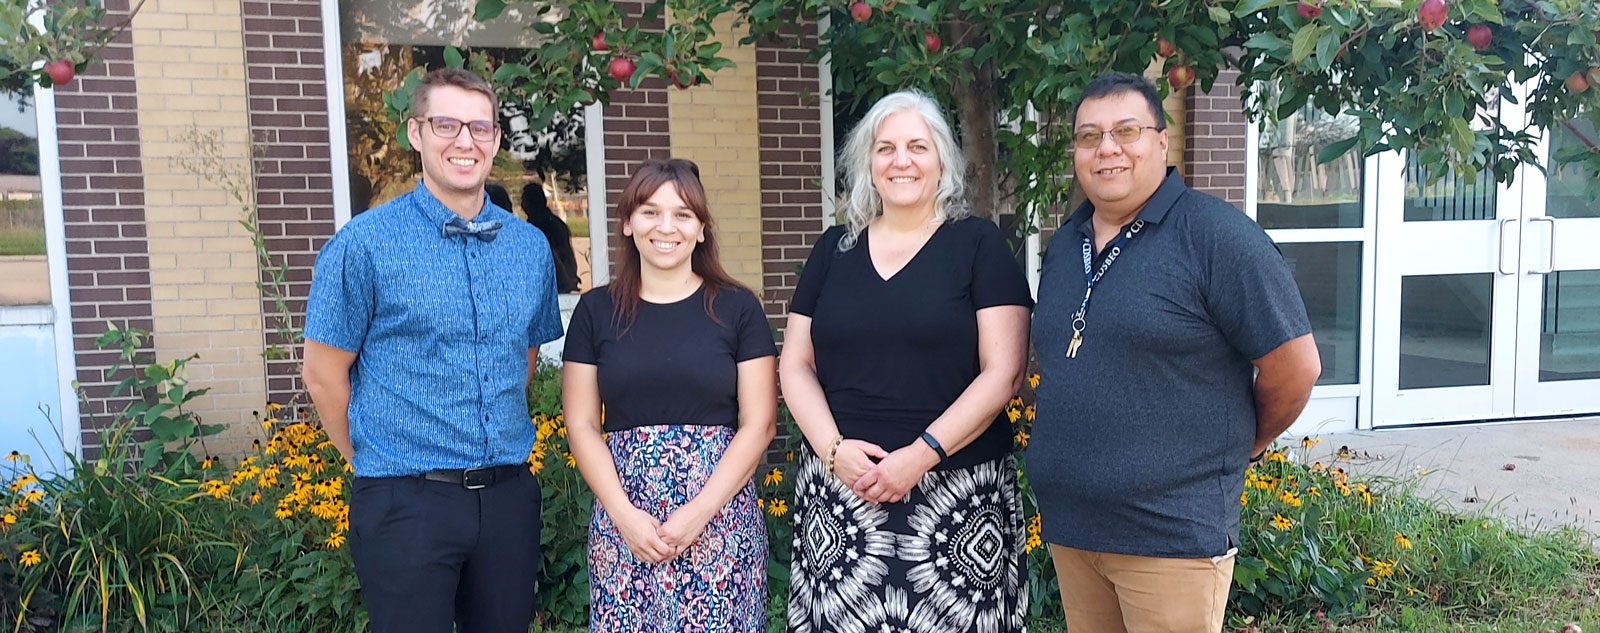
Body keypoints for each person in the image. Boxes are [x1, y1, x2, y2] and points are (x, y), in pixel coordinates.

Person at [1027, 72, 1322, 633]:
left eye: (1126, 131)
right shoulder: (1066, 245)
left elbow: (1296, 368)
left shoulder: (1217, 238)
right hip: (1074, 530)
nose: (1107, 148)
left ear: (1161, 142)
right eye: (1089, 136)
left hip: (1171, 537)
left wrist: (1243, 444)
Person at [301, 67, 561, 633]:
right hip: (405, 502)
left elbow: (521, 359)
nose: (464, 142)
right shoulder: (362, 245)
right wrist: (376, 462)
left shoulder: (529, 248)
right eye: (446, 125)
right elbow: (323, 375)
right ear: (416, 133)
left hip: (507, 500)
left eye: (480, 127)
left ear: (495, 139)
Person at [779, 90, 1033, 633]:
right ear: (867, 164)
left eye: (918, 146)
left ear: (942, 161)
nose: (901, 160)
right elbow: (795, 365)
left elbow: (1003, 373)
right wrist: (834, 451)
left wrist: (920, 456)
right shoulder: (832, 251)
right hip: (842, 502)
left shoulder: (979, 246)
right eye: (885, 148)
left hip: (956, 503)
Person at [563, 158, 776, 632]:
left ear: (701, 229)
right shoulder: (596, 312)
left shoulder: (738, 309)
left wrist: (698, 514)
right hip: (625, 524)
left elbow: (759, 423)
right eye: (650, 211)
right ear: (627, 222)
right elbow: (581, 424)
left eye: (683, 214)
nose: (666, 227)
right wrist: (625, 516)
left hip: (720, 521)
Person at [522, 184, 582, 293]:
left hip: (555, 285)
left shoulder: (542, 227)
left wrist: (568, 279)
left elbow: (561, 256)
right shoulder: (556, 223)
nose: (522, 204)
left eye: (525, 199)